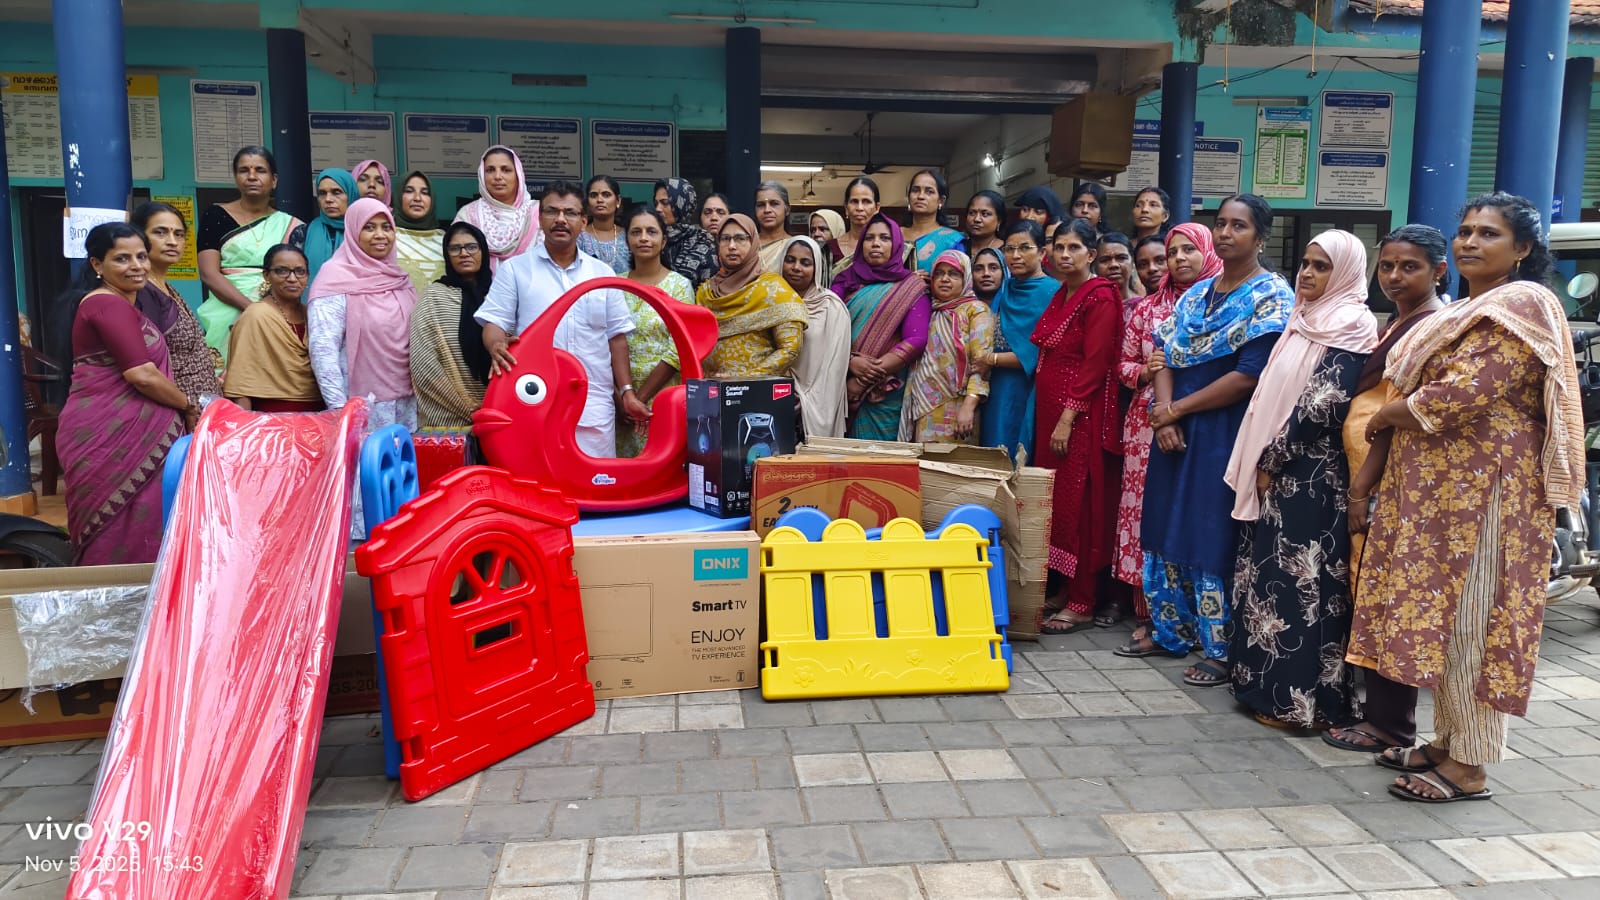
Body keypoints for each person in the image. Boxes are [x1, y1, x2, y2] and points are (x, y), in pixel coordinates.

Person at [1347, 193, 1583, 804]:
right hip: (1446, 495)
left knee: (1478, 623)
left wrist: (1388, 415)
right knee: (1449, 625)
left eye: (1489, 233)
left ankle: (1470, 765)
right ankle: (1448, 742)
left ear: (1522, 249)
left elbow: (1462, 393)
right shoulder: (1471, 310)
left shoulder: (1522, 304)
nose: (1471, 242)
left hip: (1490, 497)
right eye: (1465, 231)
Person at [1129, 194, 1293, 688]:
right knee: (1164, 524)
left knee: (1209, 532)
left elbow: (1248, 375)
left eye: (1238, 225)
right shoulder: (1196, 295)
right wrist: (1164, 416)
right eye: (1220, 223)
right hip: (1174, 427)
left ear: (1260, 236)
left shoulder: (1271, 296)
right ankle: (1172, 631)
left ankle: (1220, 649)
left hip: (1224, 429)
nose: (1225, 233)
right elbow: (1162, 354)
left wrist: (1177, 410)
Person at [1226, 230, 1379, 729]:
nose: (1308, 274)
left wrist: (1272, 459)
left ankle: (1302, 705)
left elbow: (1324, 403)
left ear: (1347, 273)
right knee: (1270, 579)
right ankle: (1262, 689)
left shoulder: (1350, 323)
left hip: (1312, 474)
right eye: (1306, 263)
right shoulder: (1305, 317)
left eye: (1322, 266)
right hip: (1283, 470)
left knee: (1302, 587)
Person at [1322, 225, 1447, 757]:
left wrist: (1361, 491)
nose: (1394, 276)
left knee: (1390, 599)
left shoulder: (1433, 328)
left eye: (1409, 267)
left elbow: (1399, 416)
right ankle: (1378, 715)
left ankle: (1392, 725)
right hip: (1370, 477)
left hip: (1391, 484)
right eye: (1388, 266)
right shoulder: (1396, 323)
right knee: (1370, 594)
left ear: (1439, 271)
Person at [477, 182, 647, 458]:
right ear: (540, 218)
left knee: (595, 481)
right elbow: (493, 322)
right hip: (536, 401)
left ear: (583, 222)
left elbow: (617, 339)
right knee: (539, 480)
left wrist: (626, 392)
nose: (560, 219)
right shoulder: (516, 270)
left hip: (593, 404)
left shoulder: (602, 274)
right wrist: (496, 344)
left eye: (570, 213)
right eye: (551, 211)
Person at [55, 223, 190, 565]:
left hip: (136, 434)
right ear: (97, 264)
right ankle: (117, 592)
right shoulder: (107, 304)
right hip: (109, 433)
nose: (136, 266)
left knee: (145, 523)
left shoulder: (123, 305)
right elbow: (141, 374)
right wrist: (188, 406)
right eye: (122, 258)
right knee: (115, 530)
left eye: (141, 256)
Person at [1112, 224, 1222, 638]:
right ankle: (1151, 615)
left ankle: (1200, 619)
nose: (1176, 260)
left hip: (1203, 418)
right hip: (1147, 424)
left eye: (1186, 250)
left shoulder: (1222, 303)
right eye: (1172, 253)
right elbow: (1122, 365)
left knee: (1192, 512)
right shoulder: (1146, 310)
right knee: (1146, 514)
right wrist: (1144, 372)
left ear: (1207, 252)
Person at [1031, 220, 1123, 634]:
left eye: (1074, 248)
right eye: (1059, 247)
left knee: (1081, 505)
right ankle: (1066, 589)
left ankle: (1083, 600)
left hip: (1079, 417)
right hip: (1052, 415)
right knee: (1059, 506)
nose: (1065, 254)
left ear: (1091, 254)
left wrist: (1068, 417)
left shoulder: (1099, 296)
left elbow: (1096, 362)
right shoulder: (1063, 292)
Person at [307, 198, 419, 435]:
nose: (380, 235)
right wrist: (340, 412)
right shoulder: (334, 279)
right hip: (361, 408)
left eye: (386, 227)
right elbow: (323, 351)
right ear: (353, 231)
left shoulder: (399, 279)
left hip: (408, 405)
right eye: (369, 227)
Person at [196, 146, 303, 358]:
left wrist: (266, 312)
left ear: (274, 180)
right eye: (244, 170)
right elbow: (209, 273)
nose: (252, 176)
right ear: (236, 178)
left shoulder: (290, 225)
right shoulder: (215, 216)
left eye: (260, 170)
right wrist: (252, 309)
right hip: (226, 309)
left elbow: (296, 277)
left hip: (277, 311)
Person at [832, 213, 931, 440]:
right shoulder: (843, 281)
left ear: (896, 245)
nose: (876, 243)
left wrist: (863, 380)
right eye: (869, 238)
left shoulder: (911, 286)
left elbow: (916, 340)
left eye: (885, 238)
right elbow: (828, 331)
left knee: (884, 457)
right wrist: (850, 363)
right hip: (842, 383)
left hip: (888, 390)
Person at [620, 205, 695, 456]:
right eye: (636, 232)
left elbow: (679, 349)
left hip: (663, 397)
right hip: (619, 403)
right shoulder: (615, 283)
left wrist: (638, 399)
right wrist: (622, 397)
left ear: (663, 241)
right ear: (627, 240)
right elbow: (604, 342)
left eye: (651, 232)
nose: (643, 238)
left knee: (660, 465)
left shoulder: (679, 286)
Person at [982, 220, 1060, 460]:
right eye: (1010, 249)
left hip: (1029, 386)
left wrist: (990, 359)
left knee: (1021, 452)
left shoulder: (1053, 292)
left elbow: (1038, 353)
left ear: (1042, 252)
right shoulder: (1005, 288)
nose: (1015, 256)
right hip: (998, 385)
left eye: (1025, 248)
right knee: (994, 450)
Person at [900, 249, 994, 444]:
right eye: (939, 273)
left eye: (953, 274)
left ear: (965, 278)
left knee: (953, 462)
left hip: (959, 407)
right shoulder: (928, 310)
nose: (945, 279)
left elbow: (982, 364)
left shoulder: (976, 310)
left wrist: (969, 406)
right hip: (923, 405)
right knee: (923, 460)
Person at [130, 201, 221, 403]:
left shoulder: (167, 287)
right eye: (160, 232)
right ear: (139, 237)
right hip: (173, 408)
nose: (172, 242)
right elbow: (147, 368)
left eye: (179, 234)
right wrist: (184, 405)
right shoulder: (142, 292)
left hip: (199, 406)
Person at [697, 214, 808, 377]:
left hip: (757, 389)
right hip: (709, 387)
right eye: (725, 239)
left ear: (754, 242)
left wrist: (745, 378)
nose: (732, 246)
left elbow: (790, 348)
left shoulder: (773, 289)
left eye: (740, 238)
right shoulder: (706, 292)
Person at [410, 222, 495, 428]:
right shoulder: (433, 297)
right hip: (449, 416)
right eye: (455, 248)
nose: (464, 253)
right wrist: (467, 409)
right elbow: (423, 362)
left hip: (499, 412)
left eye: (471, 247)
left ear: (483, 251)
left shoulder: (501, 295)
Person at [223, 245, 323, 412]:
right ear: (266, 275)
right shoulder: (256, 316)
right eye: (282, 271)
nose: (292, 278)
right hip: (271, 415)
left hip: (319, 414)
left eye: (300, 271)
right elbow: (240, 381)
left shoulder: (312, 314)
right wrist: (244, 423)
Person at [779, 235, 851, 439]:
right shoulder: (768, 302)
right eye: (790, 260)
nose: (796, 268)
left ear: (817, 268)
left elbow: (834, 368)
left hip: (818, 402)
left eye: (805, 263)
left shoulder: (831, 307)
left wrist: (805, 401)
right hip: (773, 397)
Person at [454, 146, 541, 269]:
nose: (498, 176)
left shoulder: (539, 213)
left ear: (518, 175)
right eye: (490, 170)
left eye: (506, 170)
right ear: (482, 176)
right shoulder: (468, 215)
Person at [289, 167, 357, 285]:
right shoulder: (302, 233)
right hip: (312, 296)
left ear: (351, 194)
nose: (328, 199)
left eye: (336, 192)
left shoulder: (363, 232)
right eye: (322, 193)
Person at [654, 177, 718, 289]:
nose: (658, 209)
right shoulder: (652, 239)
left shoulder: (703, 241)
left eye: (665, 203)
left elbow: (710, 289)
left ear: (682, 204)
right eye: (656, 203)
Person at [393, 170, 447, 298]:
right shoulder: (386, 238)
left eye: (425, 193)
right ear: (398, 196)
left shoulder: (447, 241)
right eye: (409, 191)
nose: (417, 198)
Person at [904, 169, 963, 272]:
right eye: (915, 190)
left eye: (929, 192)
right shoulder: (893, 235)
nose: (920, 196)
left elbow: (958, 276)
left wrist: (933, 278)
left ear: (941, 201)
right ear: (908, 197)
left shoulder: (952, 240)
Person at [829, 177, 883, 281]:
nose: (859, 208)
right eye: (854, 201)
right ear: (846, 208)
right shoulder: (830, 248)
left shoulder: (887, 247)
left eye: (866, 201)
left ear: (877, 208)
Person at [579, 175, 631, 275]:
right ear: (588, 202)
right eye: (593, 195)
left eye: (606, 195)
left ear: (618, 201)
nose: (599, 200)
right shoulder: (579, 237)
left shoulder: (629, 236)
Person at [754, 181, 793, 273]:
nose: (767, 210)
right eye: (761, 205)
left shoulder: (794, 245)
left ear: (787, 209)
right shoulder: (747, 244)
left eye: (774, 204)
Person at [1095, 231, 1143, 304]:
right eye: (1105, 260)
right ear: (1095, 267)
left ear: (1133, 264)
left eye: (1121, 258)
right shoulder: (1088, 306)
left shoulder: (1144, 306)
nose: (1113, 265)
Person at [961, 190, 1006, 257]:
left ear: (999, 221)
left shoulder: (1007, 250)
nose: (976, 219)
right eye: (972, 213)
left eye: (985, 214)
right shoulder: (957, 247)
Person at [809, 208, 847, 275]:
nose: (816, 234)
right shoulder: (808, 256)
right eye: (813, 230)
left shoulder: (848, 260)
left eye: (822, 229)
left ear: (835, 230)